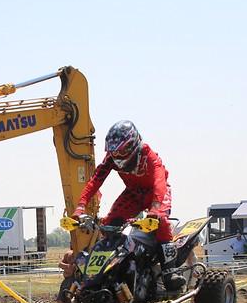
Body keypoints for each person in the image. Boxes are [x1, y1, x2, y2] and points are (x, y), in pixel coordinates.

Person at [72, 120, 176, 290]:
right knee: (109, 224)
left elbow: (159, 182)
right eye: (114, 152)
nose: (118, 157)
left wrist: (155, 209)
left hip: (156, 193)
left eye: (122, 151)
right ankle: (112, 271)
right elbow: (95, 181)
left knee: (161, 221)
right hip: (133, 192)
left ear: (133, 144)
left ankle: (169, 272)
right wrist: (80, 206)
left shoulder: (148, 155)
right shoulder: (111, 159)